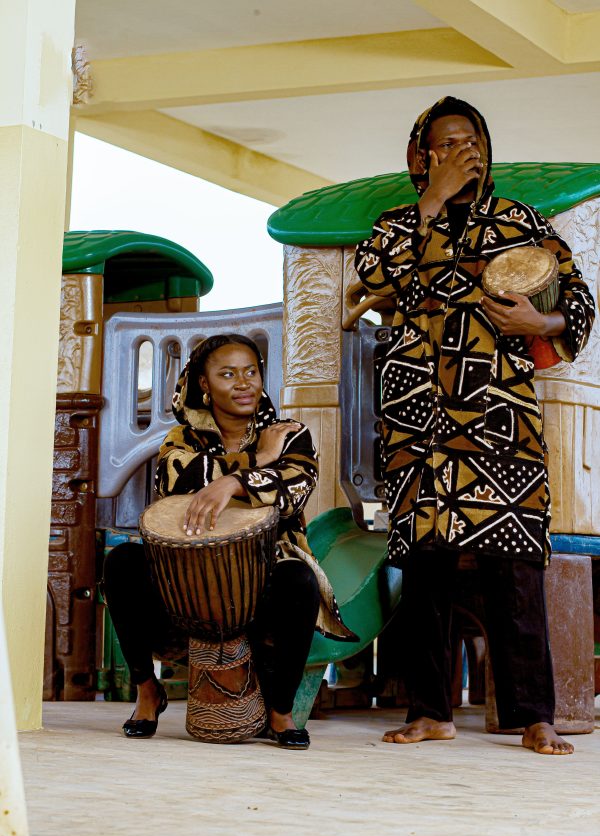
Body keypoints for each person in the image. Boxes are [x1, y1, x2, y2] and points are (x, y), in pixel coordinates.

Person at [355, 96, 595, 755]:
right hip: (415, 417)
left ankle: (533, 715)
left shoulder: (520, 220)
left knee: (514, 562)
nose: (466, 152)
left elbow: (577, 298)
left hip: (497, 415)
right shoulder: (396, 224)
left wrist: (541, 322)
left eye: (474, 141)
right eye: (449, 143)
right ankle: (429, 711)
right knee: (422, 567)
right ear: (421, 157)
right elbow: (375, 274)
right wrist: (432, 204)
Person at [103, 334, 357, 748]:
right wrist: (256, 462)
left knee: (300, 580)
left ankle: (281, 711)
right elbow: (176, 479)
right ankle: (147, 690)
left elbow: (293, 490)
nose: (243, 383)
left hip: (262, 583)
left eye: (251, 372)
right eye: (227, 374)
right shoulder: (181, 439)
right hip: (186, 586)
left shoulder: (290, 434)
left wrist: (231, 483)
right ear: (204, 384)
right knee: (122, 563)